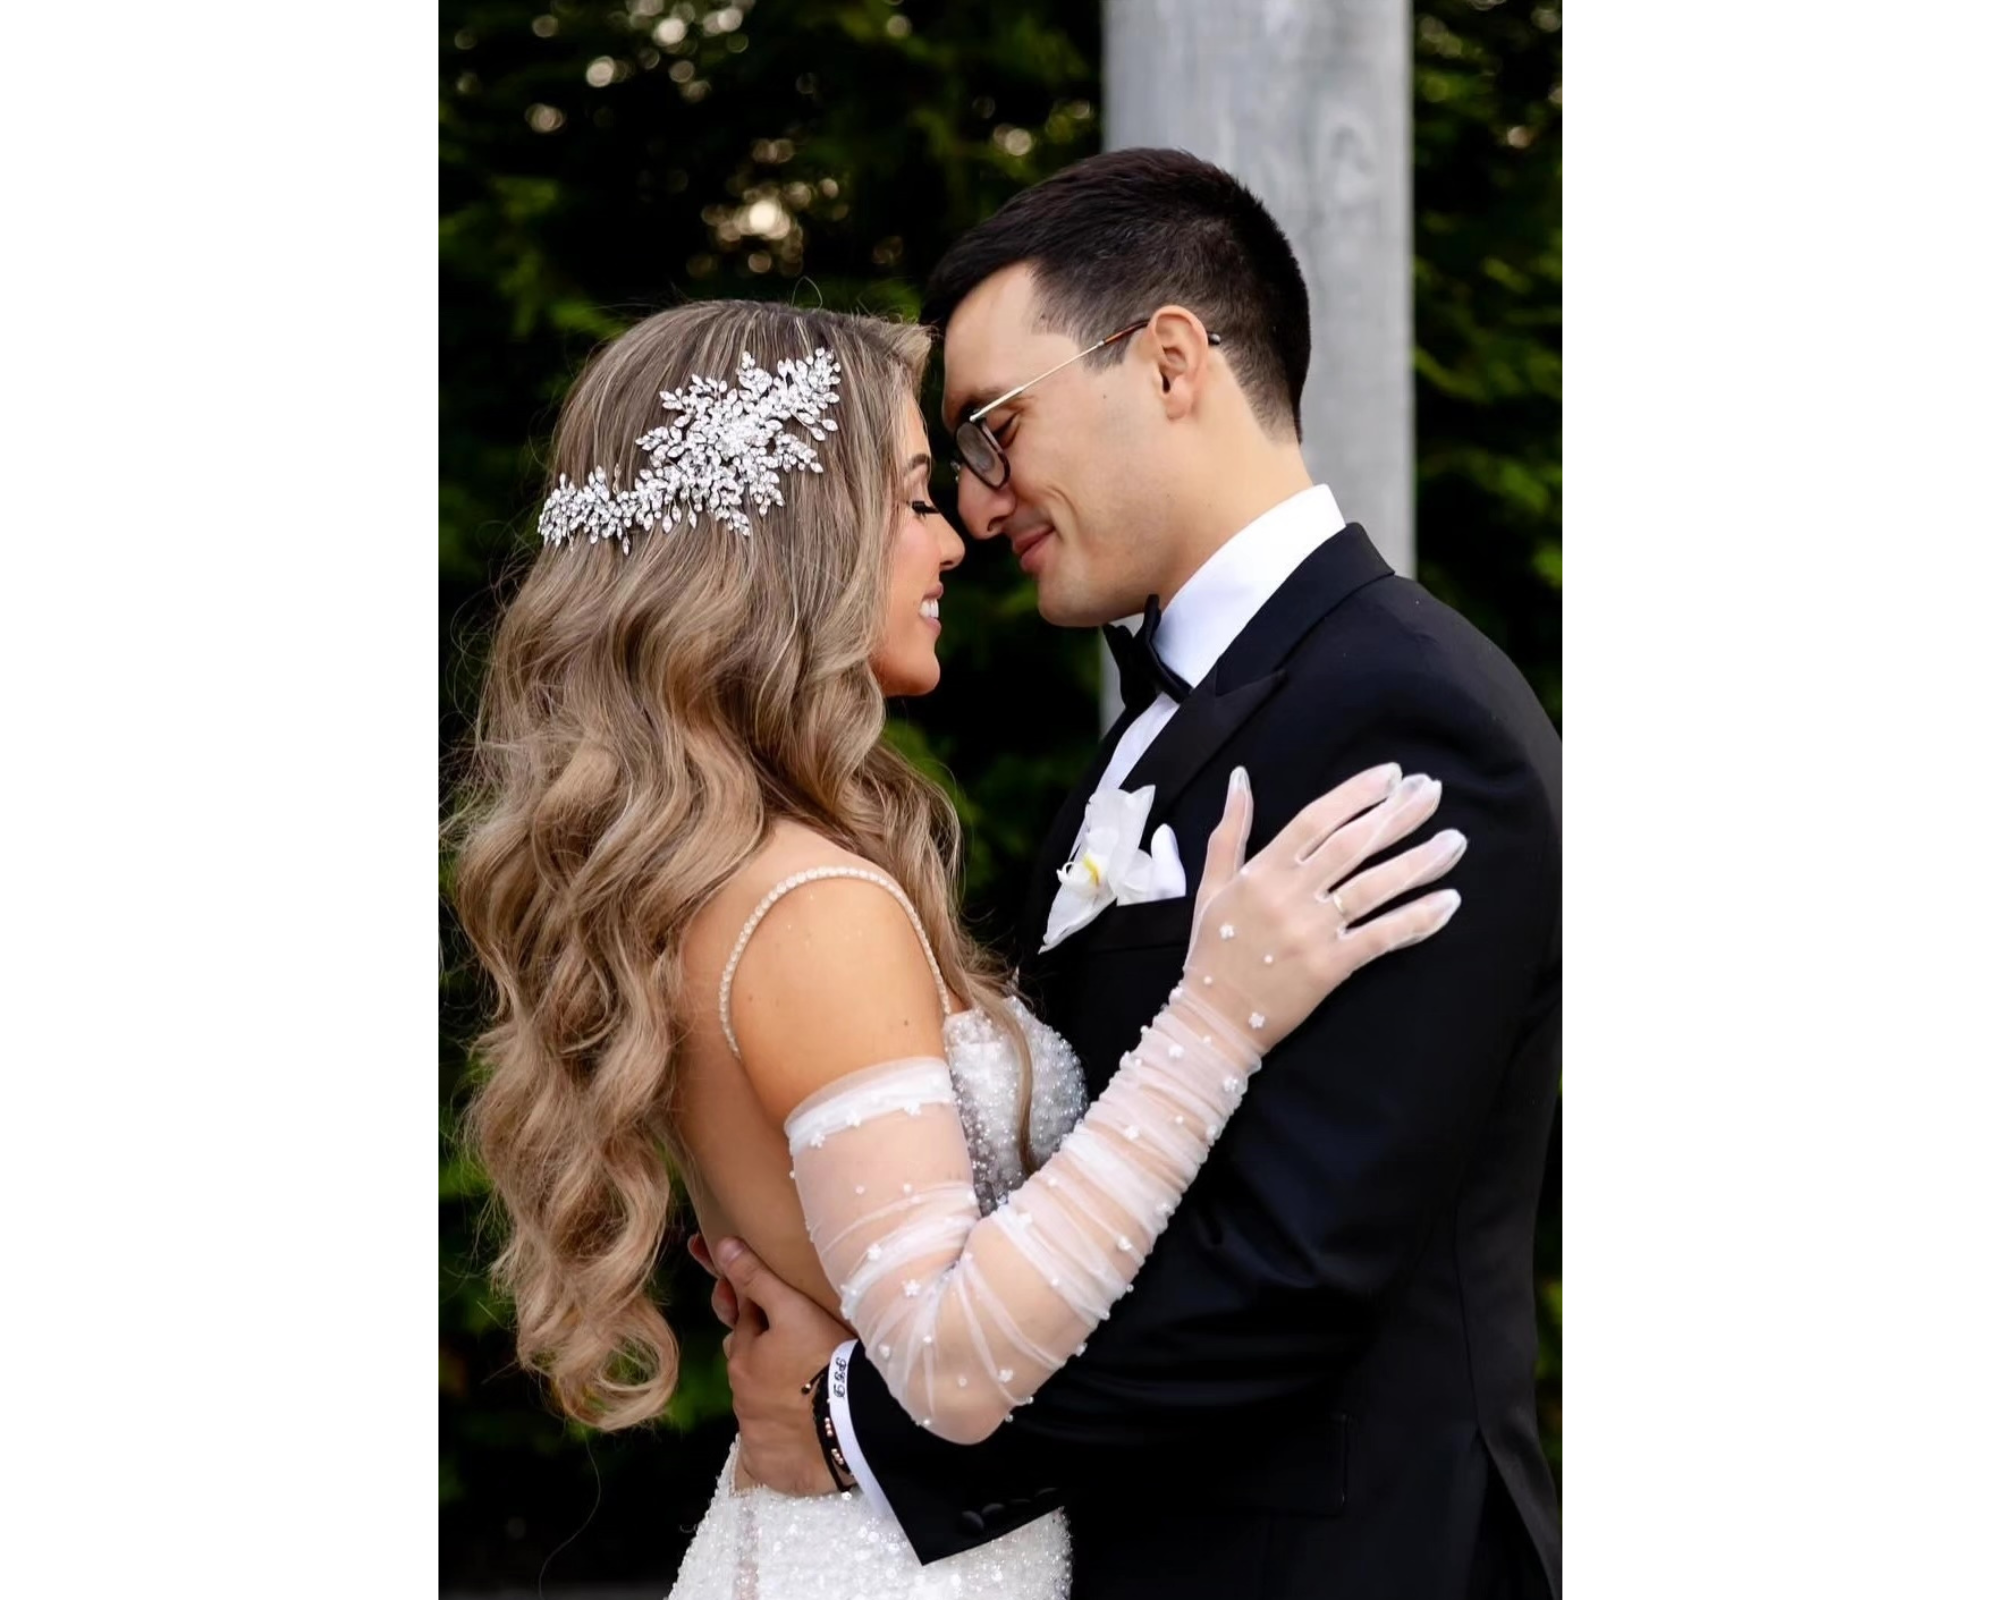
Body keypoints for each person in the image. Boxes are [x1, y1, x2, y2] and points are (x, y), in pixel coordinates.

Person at [450, 296, 1467, 1600]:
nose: (954, 541)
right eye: (918, 496)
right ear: (804, 541)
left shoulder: (724, 874)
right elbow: (944, 1357)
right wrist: (1215, 1020)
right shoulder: (809, 908)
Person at [704, 149, 1563, 1599]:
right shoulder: (1175, 724)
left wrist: (869, 1430)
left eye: (995, 427)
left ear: (1169, 361)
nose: (982, 507)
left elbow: (1289, 1269)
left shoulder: (1405, 714)